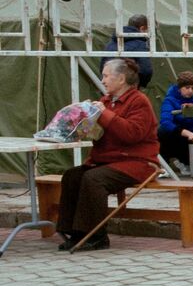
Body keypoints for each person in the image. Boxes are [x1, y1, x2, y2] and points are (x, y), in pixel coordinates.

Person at [55, 59, 158, 252]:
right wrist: (83, 122)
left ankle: (97, 236)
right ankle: (75, 232)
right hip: (108, 160)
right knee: (72, 175)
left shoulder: (139, 101)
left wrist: (104, 115)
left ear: (121, 79)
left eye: (106, 75)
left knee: (93, 179)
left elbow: (133, 134)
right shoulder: (104, 101)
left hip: (137, 162)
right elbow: (99, 132)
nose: (103, 80)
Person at [157, 70, 193, 171]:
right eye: (187, 88)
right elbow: (166, 122)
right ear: (179, 88)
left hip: (190, 139)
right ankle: (163, 166)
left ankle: (186, 163)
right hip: (175, 136)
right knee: (163, 131)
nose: (190, 91)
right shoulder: (169, 100)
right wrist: (187, 133)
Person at [101, 14, 152, 88]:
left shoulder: (111, 43)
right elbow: (146, 70)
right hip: (128, 86)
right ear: (142, 28)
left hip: (109, 86)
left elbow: (103, 66)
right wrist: (138, 84)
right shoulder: (140, 44)